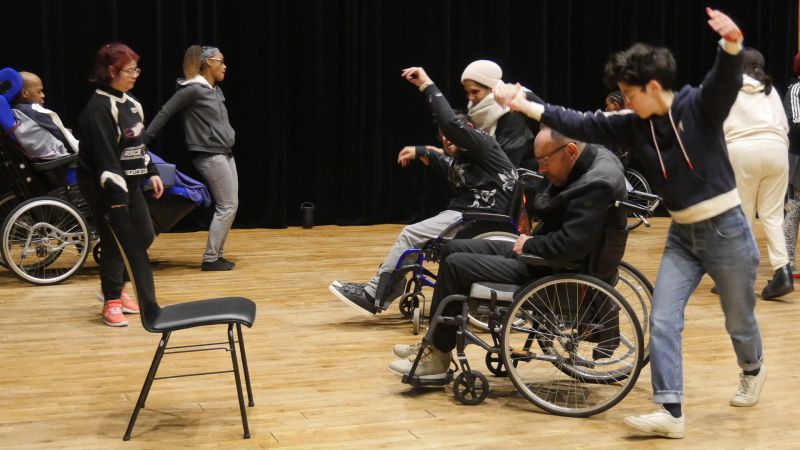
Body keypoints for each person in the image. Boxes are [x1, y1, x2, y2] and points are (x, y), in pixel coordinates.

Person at [494, 7, 765, 440]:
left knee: (738, 319)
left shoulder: (699, 106)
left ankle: (752, 368)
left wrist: (731, 42)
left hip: (725, 229)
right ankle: (670, 411)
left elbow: (726, 77)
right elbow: (575, 121)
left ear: (653, 87)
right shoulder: (633, 126)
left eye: (629, 93)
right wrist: (522, 101)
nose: (624, 101)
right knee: (663, 319)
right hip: (683, 236)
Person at [388, 126, 627, 377]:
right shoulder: (592, 159)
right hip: (544, 258)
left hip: (550, 271)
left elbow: (572, 246)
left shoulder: (594, 185)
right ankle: (440, 338)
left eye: (545, 160)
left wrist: (530, 245)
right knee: (453, 247)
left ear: (570, 151)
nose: (541, 169)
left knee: (456, 265)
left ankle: (438, 356)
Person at [329, 66, 517, 315]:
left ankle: (374, 294)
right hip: (471, 215)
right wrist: (423, 151)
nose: (447, 139)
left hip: (478, 218)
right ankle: (387, 285)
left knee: (409, 235)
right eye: (442, 137)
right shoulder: (469, 156)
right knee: (414, 235)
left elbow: (450, 125)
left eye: (451, 135)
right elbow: (451, 167)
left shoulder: (483, 143)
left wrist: (427, 84)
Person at [77, 42, 164, 327]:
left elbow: (138, 144)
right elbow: (105, 158)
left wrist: (151, 171)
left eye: (137, 69)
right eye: (129, 70)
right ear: (111, 71)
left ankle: (119, 288)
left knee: (144, 235)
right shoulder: (98, 109)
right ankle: (111, 301)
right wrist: (117, 197)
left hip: (130, 182)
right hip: (104, 185)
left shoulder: (131, 103)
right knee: (115, 240)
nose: (135, 75)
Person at [144, 45, 237, 271]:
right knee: (227, 205)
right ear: (208, 63)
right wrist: (142, 142)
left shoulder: (214, 90)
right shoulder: (192, 89)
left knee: (231, 205)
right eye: (221, 61)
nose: (225, 66)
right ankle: (210, 258)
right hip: (209, 155)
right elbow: (165, 112)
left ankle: (217, 255)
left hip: (225, 152)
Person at [722, 48, 792, 299]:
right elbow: (784, 126)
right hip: (777, 151)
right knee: (773, 216)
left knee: (743, 216)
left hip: (742, 152)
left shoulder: (728, 87)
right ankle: (783, 272)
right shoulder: (770, 90)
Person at [461, 60, 540, 169]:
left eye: (475, 92)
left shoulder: (512, 109)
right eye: (467, 92)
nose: (470, 97)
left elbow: (508, 162)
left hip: (522, 175)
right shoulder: (475, 110)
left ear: (491, 88)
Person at [11, 71, 79, 160]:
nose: (43, 95)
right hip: (64, 159)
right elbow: (62, 136)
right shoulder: (34, 111)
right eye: (39, 91)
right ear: (24, 93)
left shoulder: (14, 111)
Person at [783, 52, 800, 274]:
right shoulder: (796, 89)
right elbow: (796, 124)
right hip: (798, 157)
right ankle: (787, 260)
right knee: (795, 207)